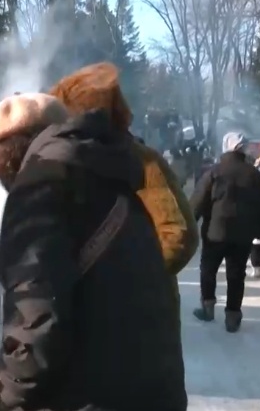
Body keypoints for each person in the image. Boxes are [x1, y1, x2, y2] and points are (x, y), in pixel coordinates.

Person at [0, 93, 187, 410]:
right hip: (155, 390)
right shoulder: (112, 181)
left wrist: (2, 394)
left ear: (5, 155)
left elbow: (37, 323)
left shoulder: (38, 189)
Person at [49, 62, 199, 278]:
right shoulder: (65, 161)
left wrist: (128, 282)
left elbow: (177, 236)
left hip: (135, 308)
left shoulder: (143, 161)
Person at [190, 132, 260, 332]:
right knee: (236, 274)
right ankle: (233, 316)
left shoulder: (214, 172)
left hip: (214, 231)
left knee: (208, 269)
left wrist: (189, 221)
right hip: (243, 234)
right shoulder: (255, 175)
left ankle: (207, 307)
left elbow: (198, 201)